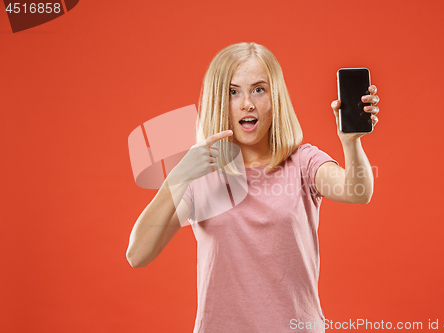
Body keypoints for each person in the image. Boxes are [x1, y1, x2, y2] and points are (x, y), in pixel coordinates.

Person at [126, 42, 380, 333]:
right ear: (218, 102)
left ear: (276, 98)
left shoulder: (302, 162)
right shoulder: (202, 176)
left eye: (259, 89)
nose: (247, 103)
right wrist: (178, 176)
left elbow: (357, 191)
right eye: (233, 92)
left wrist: (351, 142)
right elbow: (137, 255)